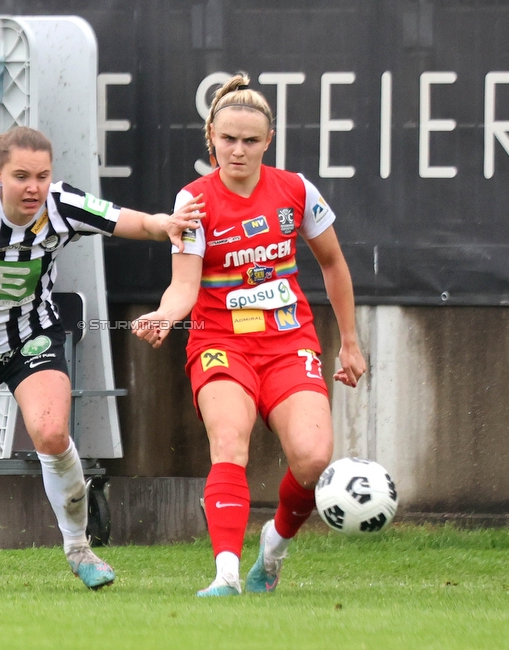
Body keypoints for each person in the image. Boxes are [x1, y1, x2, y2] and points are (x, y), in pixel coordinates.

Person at [0, 125, 204, 590]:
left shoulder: (62, 205)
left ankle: (78, 547)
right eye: (22, 176)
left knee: (50, 433)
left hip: (31, 337)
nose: (33, 188)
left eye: (42, 177)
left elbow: (135, 222)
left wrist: (165, 224)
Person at [132, 73, 367, 597]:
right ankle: (226, 575)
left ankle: (274, 548)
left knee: (312, 458)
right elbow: (183, 287)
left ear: (269, 140)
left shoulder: (296, 190)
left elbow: (333, 263)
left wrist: (349, 341)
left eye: (250, 141)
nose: (237, 151)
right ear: (211, 134)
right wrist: (166, 316)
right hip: (220, 341)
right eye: (228, 139)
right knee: (229, 442)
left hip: (288, 343)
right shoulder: (193, 201)